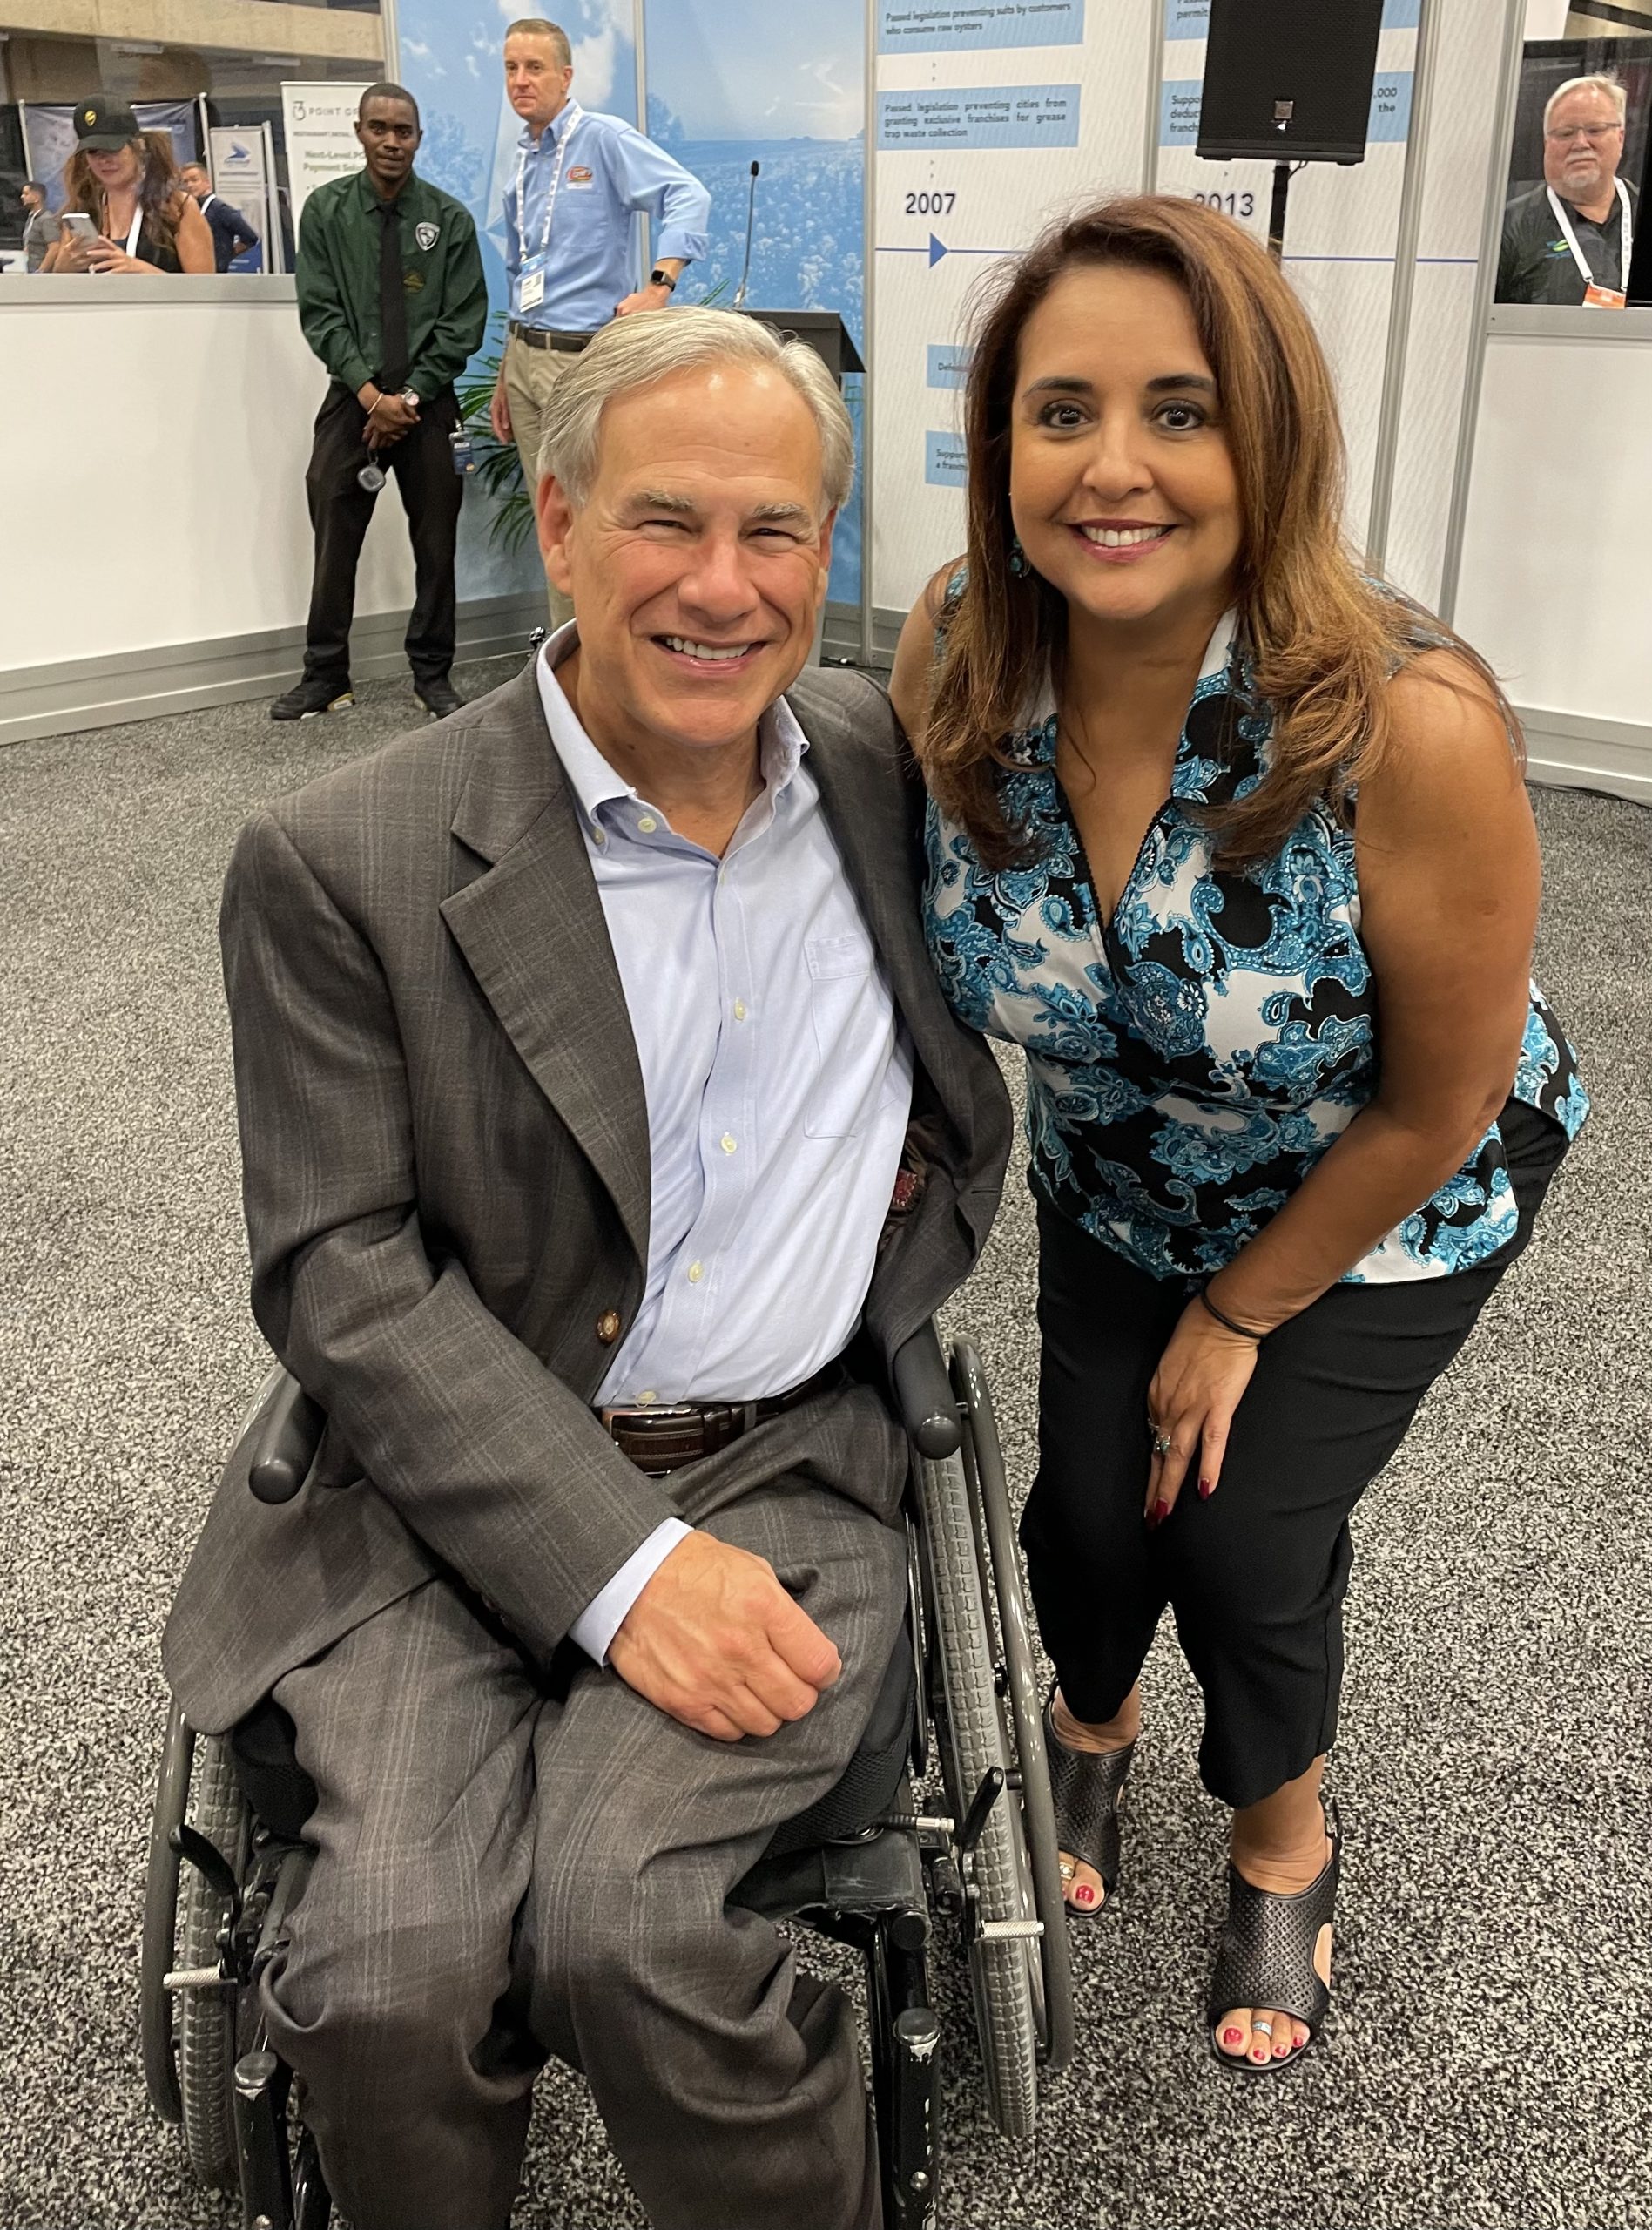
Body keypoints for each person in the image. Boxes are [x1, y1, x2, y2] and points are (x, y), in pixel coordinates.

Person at [162, 305, 1011, 2230]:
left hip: (785, 1469)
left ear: (830, 551)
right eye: (666, 523)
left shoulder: (891, 777)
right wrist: (621, 1577)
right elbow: (341, 1273)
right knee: (385, 1964)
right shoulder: (340, 858)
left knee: (628, 1927)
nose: (724, 586)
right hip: (435, 1482)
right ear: (554, 523)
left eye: (777, 532)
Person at [893, 195, 1587, 2078]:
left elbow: (1442, 1100)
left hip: (1387, 1188)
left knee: (1244, 1536)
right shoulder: (962, 645)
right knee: (1088, 1520)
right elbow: (922, 954)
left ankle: (1285, 1832)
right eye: (1062, 413)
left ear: (1263, 437)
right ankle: (1091, 1726)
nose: (1114, 466)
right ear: (1001, 445)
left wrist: (1243, 1311)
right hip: (1119, 1172)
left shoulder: (1403, 719)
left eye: (1179, 411)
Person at [273, 83, 487, 724]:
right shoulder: (326, 212)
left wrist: (410, 396)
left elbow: (462, 322)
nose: (391, 142)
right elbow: (321, 313)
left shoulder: (448, 221)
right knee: (335, 537)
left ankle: (432, 674)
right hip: (353, 400)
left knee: (436, 542)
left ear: (419, 138)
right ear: (359, 132)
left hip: (430, 406)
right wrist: (371, 395)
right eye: (379, 128)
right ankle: (325, 675)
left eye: (404, 131)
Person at [489, 15, 711, 627]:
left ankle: (602, 662)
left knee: (589, 517)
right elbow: (522, 269)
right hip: (528, 354)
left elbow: (688, 194)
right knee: (552, 519)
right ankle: (568, 661)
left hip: (582, 358)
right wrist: (508, 367)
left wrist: (659, 286)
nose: (520, 81)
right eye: (510, 68)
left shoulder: (602, 139)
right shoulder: (524, 162)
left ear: (565, 75)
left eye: (534, 68)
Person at [1499, 72, 1639, 307]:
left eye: (1595, 130)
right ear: (1546, 144)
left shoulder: (1638, 209)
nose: (1581, 143)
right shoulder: (1508, 227)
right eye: (1565, 133)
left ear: (1620, 138)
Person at [39, 101, 212, 275]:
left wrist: (143, 272)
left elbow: (205, 291)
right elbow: (62, 290)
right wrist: (63, 268)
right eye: (93, 151)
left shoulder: (177, 207)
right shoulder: (82, 212)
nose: (103, 159)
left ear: (138, 146)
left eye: (112, 148)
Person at [179, 159, 260, 272]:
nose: (189, 185)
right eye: (185, 182)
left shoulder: (220, 209)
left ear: (207, 182)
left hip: (216, 275)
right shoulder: (191, 209)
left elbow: (250, 236)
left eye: (194, 180)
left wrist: (226, 255)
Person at [19, 180, 54, 273]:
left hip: (41, 271)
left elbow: (54, 247)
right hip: (30, 268)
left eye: (26, 194)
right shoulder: (32, 218)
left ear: (36, 197)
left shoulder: (47, 219)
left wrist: (41, 270)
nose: (22, 197)